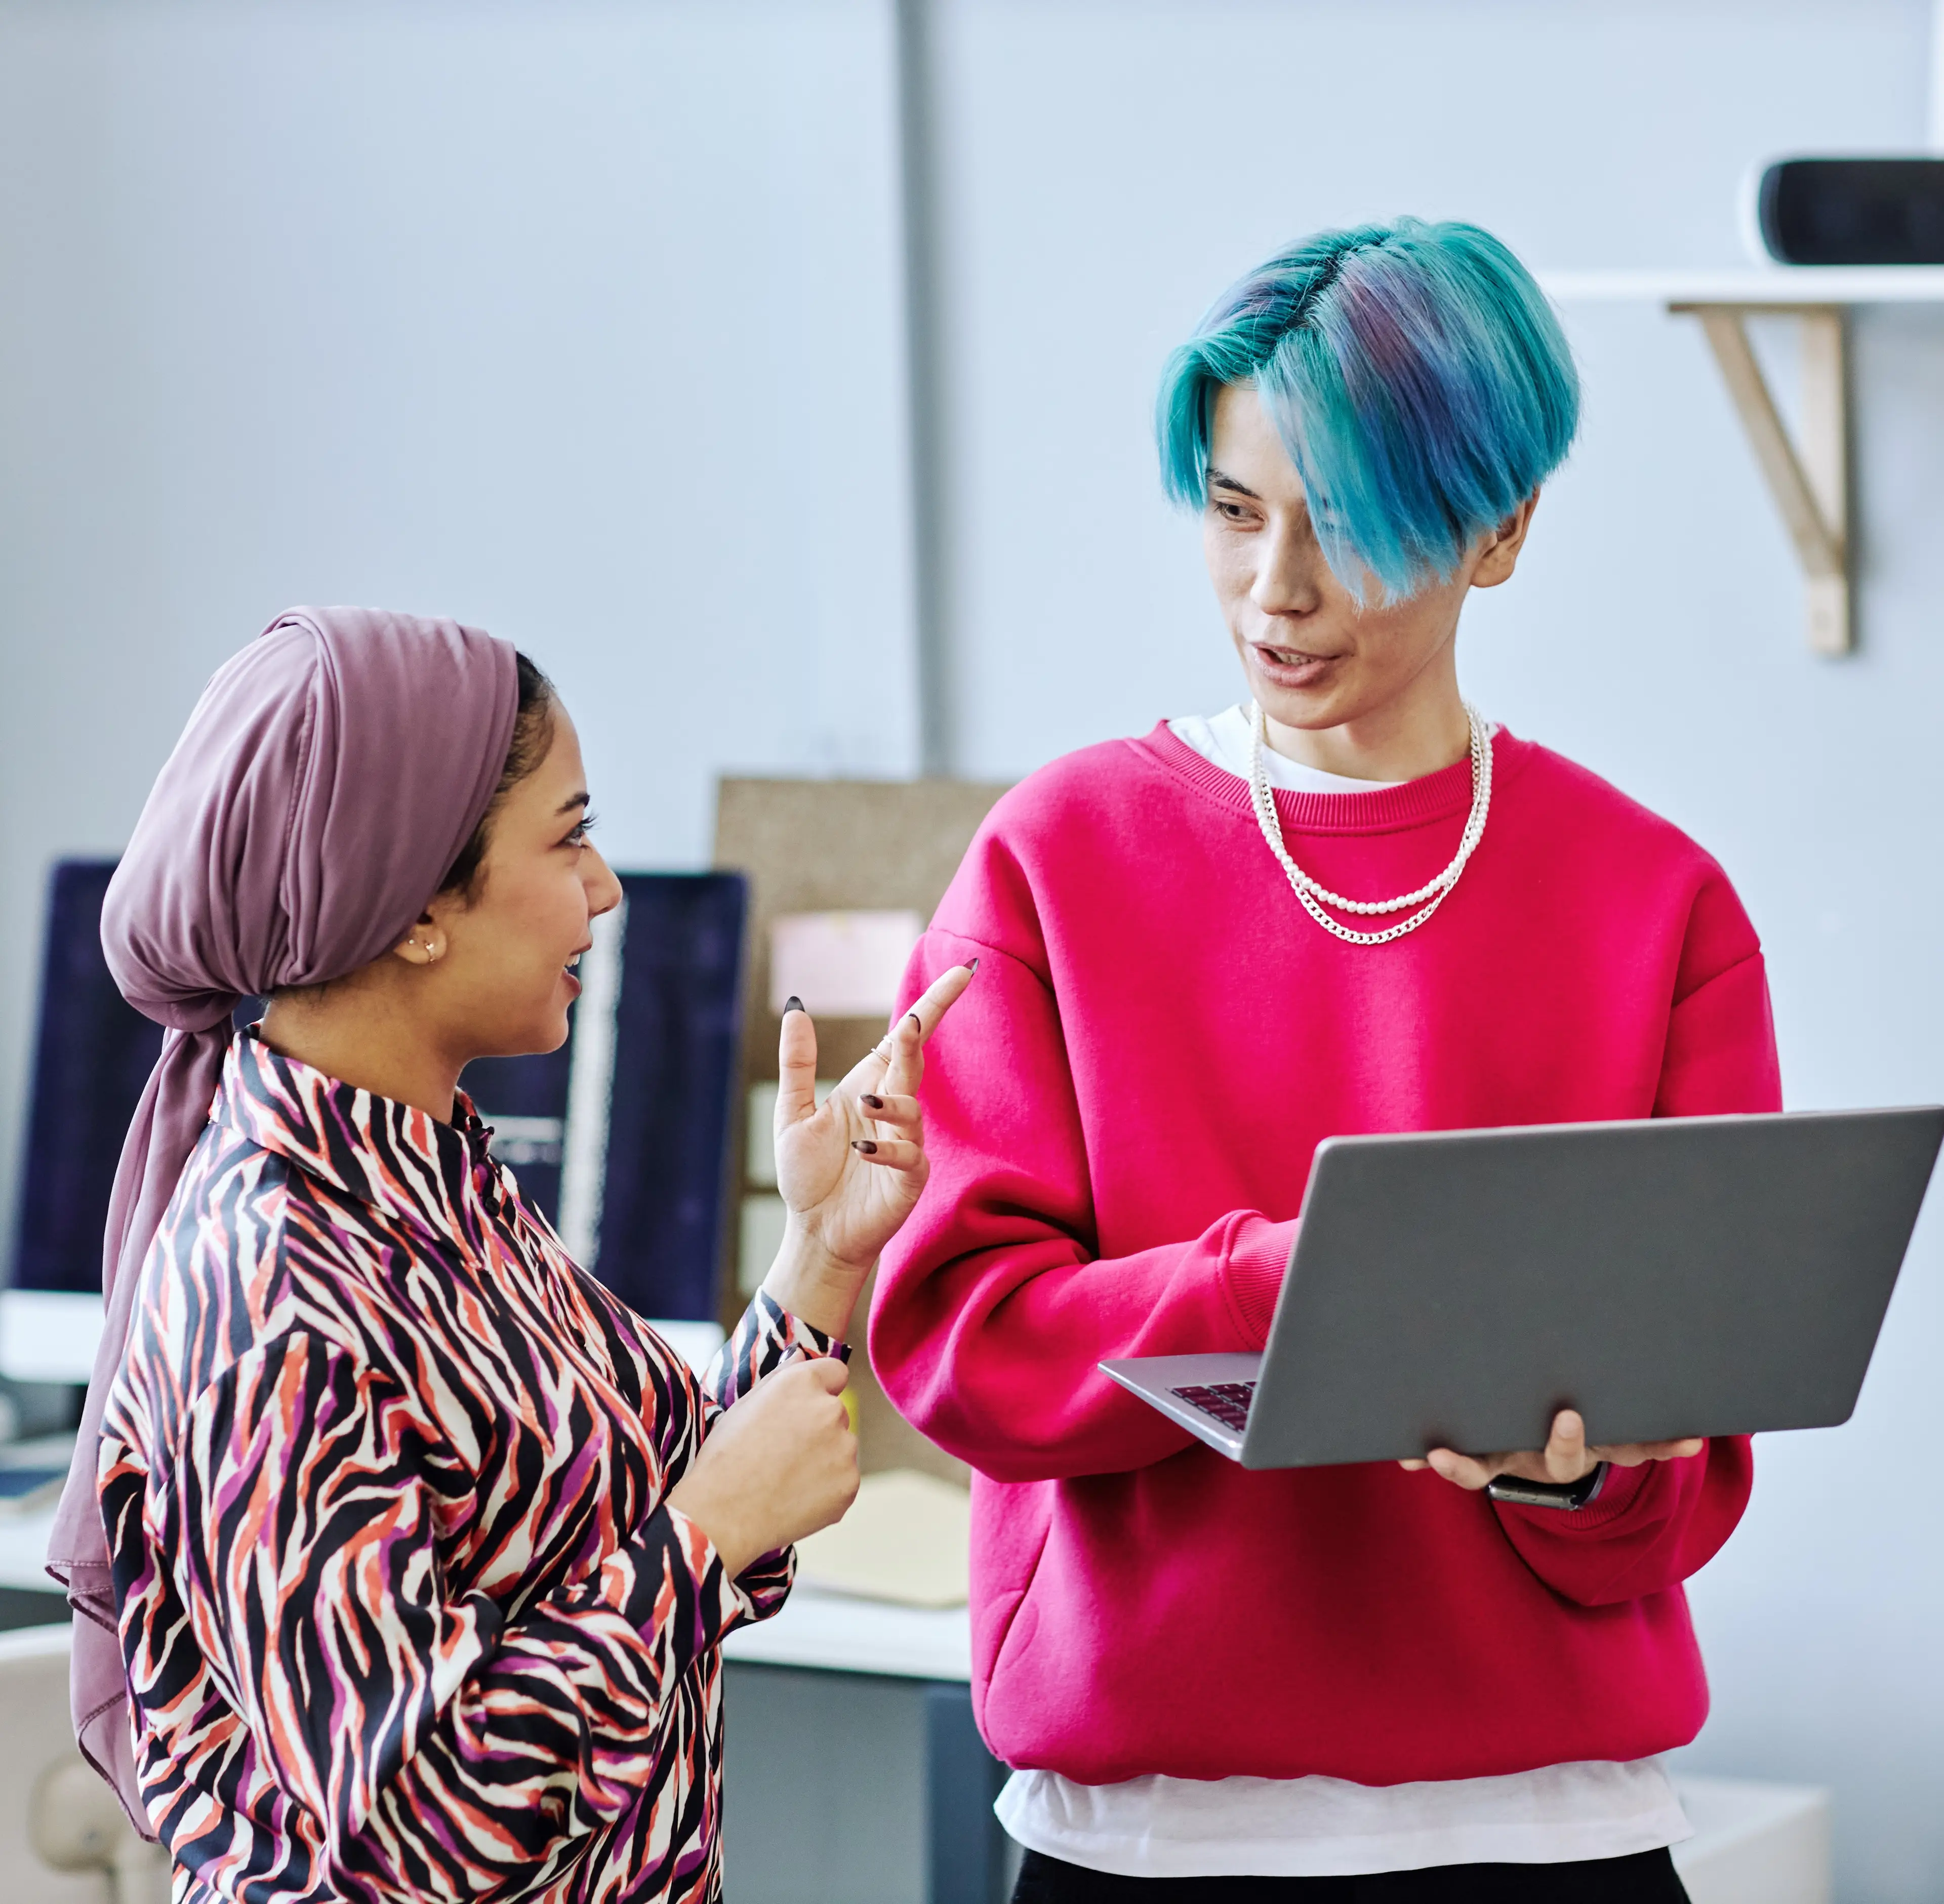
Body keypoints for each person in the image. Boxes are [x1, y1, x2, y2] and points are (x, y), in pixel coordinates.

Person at [870, 220, 1779, 1902]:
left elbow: (1690, 1487)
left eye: (1346, 525)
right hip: (1144, 1847)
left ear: (1500, 529)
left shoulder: (1661, 905)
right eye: (1234, 512)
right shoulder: (1054, 862)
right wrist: (1290, 1285)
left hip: (1557, 1840)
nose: (1274, 590)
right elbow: (965, 1355)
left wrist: (1577, 1478)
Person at [48, 606, 972, 1904]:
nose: (606, 888)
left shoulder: (433, 1176)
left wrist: (819, 1253)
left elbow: (650, 1515)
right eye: (570, 835)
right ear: (418, 900)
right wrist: (707, 1536)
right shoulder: (272, 1294)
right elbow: (416, 1825)